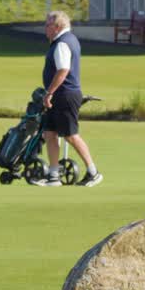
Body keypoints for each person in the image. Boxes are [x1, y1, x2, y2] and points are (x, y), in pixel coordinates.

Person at [29, 11, 103, 187]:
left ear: (57, 26)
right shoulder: (68, 40)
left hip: (64, 94)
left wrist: (49, 93)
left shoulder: (62, 43)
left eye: (47, 25)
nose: (45, 28)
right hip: (61, 94)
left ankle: (93, 172)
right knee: (50, 133)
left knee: (70, 135)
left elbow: (63, 70)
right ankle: (54, 176)